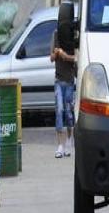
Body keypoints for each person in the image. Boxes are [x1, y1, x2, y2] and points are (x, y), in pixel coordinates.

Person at [50, 24, 76, 158]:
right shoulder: (56, 34)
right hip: (58, 80)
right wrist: (56, 53)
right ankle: (60, 145)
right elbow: (51, 58)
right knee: (59, 110)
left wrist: (65, 55)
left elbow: (76, 58)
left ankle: (69, 141)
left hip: (70, 81)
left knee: (69, 113)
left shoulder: (74, 36)